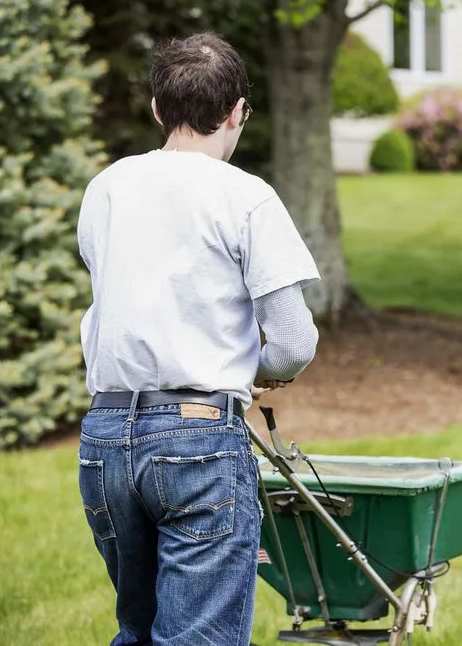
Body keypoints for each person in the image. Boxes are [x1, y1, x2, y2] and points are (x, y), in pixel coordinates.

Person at [75, 32, 320, 646]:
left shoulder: (107, 187)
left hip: (104, 438)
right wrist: (265, 370)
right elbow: (293, 339)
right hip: (197, 439)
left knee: (138, 629)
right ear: (238, 112)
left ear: (159, 110)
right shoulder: (246, 195)